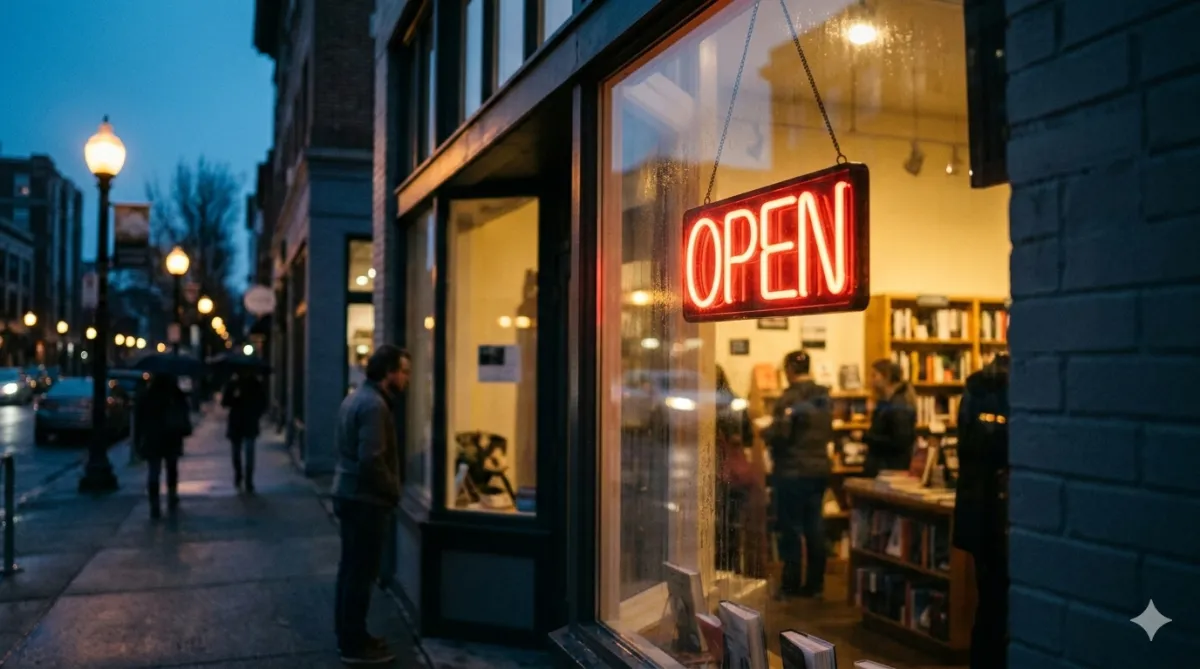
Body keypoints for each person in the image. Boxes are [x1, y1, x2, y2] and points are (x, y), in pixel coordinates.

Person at [330, 345, 410, 665]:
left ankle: (352, 635)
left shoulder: (357, 398)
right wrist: (394, 491)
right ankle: (353, 643)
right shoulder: (375, 406)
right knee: (360, 574)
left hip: (351, 495)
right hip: (364, 501)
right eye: (403, 371)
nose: (406, 378)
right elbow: (371, 461)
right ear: (388, 373)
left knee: (351, 572)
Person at [953, 353, 1010, 669]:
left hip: (980, 513)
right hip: (996, 515)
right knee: (996, 603)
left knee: (989, 603)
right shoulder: (993, 392)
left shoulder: (976, 389)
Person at [762, 350, 834, 598]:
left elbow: (781, 435)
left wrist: (765, 433)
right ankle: (816, 584)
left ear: (789, 370)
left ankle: (790, 585)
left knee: (790, 528)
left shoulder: (788, 399)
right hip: (819, 468)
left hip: (792, 470)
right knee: (815, 524)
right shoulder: (823, 396)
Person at [714, 365, 754, 573]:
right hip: (737, 474)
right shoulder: (736, 401)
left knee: (716, 527)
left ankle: (717, 570)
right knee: (733, 526)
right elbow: (748, 437)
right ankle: (730, 570)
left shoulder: (703, 403)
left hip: (717, 472)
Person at [136, 373, 192, 519]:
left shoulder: (147, 396)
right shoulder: (175, 395)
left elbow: (138, 420)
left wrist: (137, 441)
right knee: (172, 468)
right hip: (171, 437)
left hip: (153, 438)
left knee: (154, 471)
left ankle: (154, 503)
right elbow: (184, 413)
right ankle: (172, 495)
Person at [862, 359, 918, 477]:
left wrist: (866, 437)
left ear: (886, 378)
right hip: (884, 469)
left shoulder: (899, 405)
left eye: (874, 375)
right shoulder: (886, 402)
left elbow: (899, 442)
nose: (870, 380)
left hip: (890, 470)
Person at [222, 372, 267, 492]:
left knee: (248, 452)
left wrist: (256, 413)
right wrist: (234, 397)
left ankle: (248, 479)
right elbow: (225, 402)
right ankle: (239, 475)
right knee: (238, 452)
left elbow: (263, 402)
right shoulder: (233, 384)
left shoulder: (255, 385)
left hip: (249, 422)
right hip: (238, 422)